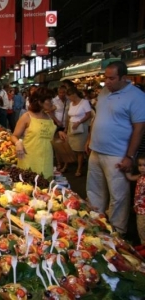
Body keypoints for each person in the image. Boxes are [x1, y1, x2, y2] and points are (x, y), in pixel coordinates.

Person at [85, 61, 145, 236]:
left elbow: (139, 129)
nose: (107, 82)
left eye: (111, 78)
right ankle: (95, 223)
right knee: (94, 190)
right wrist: (89, 139)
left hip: (117, 154)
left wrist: (129, 156)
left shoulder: (136, 97)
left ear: (124, 78)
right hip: (96, 151)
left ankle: (117, 232)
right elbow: (97, 118)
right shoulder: (104, 92)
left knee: (118, 196)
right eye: (106, 78)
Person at [11, 87, 65, 179]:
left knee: (44, 186)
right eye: (49, 100)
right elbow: (14, 136)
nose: (52, 102)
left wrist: (59, 133)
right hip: (29, 157)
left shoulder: (49, 116)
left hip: (47, 157)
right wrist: (18, 143)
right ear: (40, 102)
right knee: (28, 185)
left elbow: (49, 134)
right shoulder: (27, 116)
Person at [65, 86, 92, 176]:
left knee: (79, 149)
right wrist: (67, 127)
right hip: (71, 127)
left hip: (80, 128)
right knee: (69, 147)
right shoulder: (71, 103)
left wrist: (79, 122)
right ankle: (67, 164)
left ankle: (79, 168)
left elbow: (88, 115)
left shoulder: (84, 102)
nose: (69, 98)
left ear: (74, 94)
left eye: (70, 96)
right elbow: (69, 116)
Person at [125, 154, 145, 256]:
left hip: (143, 209)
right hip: (139, 208)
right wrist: (127, 171)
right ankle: (142, 244)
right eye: (140, 165)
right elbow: (131, 177)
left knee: (142, 227)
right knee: (140, 228)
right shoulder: (140, 176)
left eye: (144, 165)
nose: (141, 167)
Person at [49, 85, 70, 172]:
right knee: (57, 145)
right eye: (60, 92)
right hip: (57, 125)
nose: (62, 94)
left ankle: (65, 164)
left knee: (65, 145)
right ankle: (59, 163)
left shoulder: (68, 101)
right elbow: (50, 112)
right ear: (58, 93)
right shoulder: (54, 101)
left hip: (67, 125)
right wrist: (57, 121)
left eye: (64, 92)